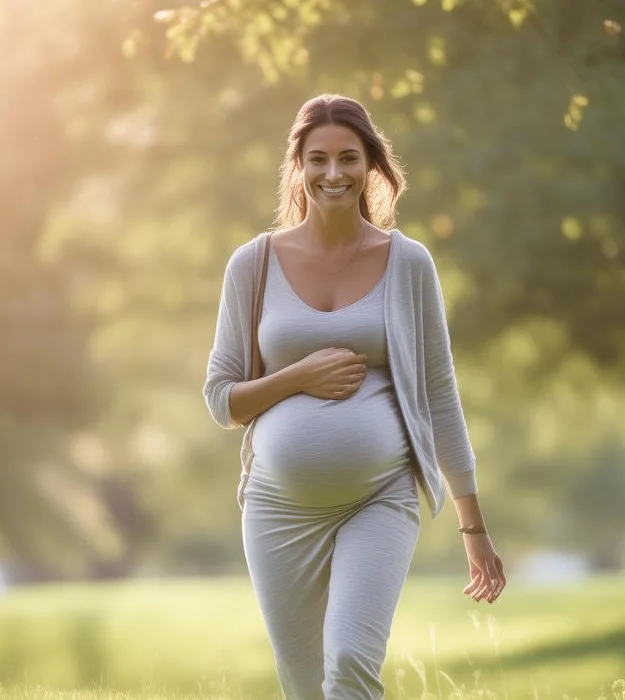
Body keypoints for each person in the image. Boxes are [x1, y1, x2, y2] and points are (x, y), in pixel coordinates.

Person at [203, 93, 506, 700]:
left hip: (379, 498)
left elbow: (440, 397)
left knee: (347, 663)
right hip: (278, 509)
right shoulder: (252, 265)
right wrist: (297, 377)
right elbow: (221, 400)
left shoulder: (408, 263)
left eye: (348, 157)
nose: (333, 173)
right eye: (318, 159)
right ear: (298, 166)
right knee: (305, 686)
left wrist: (472, 526)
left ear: (371, 164)